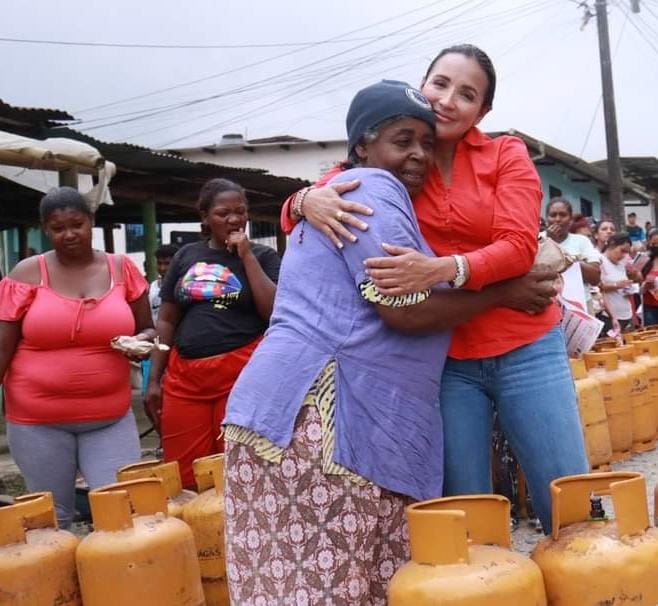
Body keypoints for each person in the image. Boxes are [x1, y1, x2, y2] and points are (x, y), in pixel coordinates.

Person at [223, 80, 557, 605]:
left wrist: (300, 200)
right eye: (404, 140)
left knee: (287, 586)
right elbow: (404, 308)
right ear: (362, 146)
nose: (419, 154)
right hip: (326, 425)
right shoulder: (373, 190)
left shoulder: (337, 193)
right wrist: (506, 293)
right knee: (341, 587)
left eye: (428, 142)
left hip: (281, 417)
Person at [278, 44, 588, 534]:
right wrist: (301, 201)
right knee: (467, 516)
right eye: (440, 84)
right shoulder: (399, 157)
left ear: (482, 112)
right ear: (422, 85)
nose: (447, 100)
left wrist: (440, 268)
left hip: (526, 344)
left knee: (566, 495)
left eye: (467, 94)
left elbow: (515, 248)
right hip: (445, 361)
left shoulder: (505, 154)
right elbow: (321, 195)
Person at [0, 187, 153, 527]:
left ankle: (113, 580)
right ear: (45, 229)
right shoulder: (26, 274)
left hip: (109, 417)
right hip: (37, 420)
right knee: (50, 522)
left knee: (120, 513)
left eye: (77, 224)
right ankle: (60, 582)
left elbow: (149, 328)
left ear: (91, 222)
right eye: (58, 228)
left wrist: (139, 341)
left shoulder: (121, 269)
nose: (69, 234)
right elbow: (3, 345)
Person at [145, 178, 280, 488]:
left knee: (239, 470)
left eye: (240, 212)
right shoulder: (185, 256)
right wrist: (154, 379)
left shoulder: (263, 257)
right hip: (184, 378)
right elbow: (166, 320)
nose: (233, 219)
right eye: (223, 213)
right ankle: (195, 533)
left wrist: (245, 256)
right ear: (205, 217)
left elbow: (273, 312)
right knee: (184, 474)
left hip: (241, 374)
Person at [545, 198, 600, 313]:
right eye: (553, 215)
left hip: (580, 305)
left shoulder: (582, 241)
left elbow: (595, 278)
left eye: (563, 215)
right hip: (546, 305)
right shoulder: (537, 240)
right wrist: (550, 242)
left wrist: (573, 262)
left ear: (570, 220)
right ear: (547, 219)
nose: (557, 219)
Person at [141, 244, 178, 397]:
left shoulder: (183, 288)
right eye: (160, 263)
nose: (163, 268)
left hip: (176, 350)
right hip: (155, 350)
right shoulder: (151, 290)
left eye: (167, 263)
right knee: (150, 393)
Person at [599, 233, 640, 333]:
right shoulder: (600, 260)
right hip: (609, 315)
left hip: (626, 312)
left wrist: (632, 276)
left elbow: (635, 279)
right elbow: (598, 287)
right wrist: (617, 285)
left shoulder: (622, 263)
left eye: (626, 252)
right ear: (612, 245)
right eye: (622, 251)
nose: (623, 255)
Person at [641, 228, 658, 326]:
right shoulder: (644, 260)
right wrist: (645, 286)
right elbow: (634, 286)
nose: (656, 246)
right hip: (650, 306)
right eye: (653, 244)